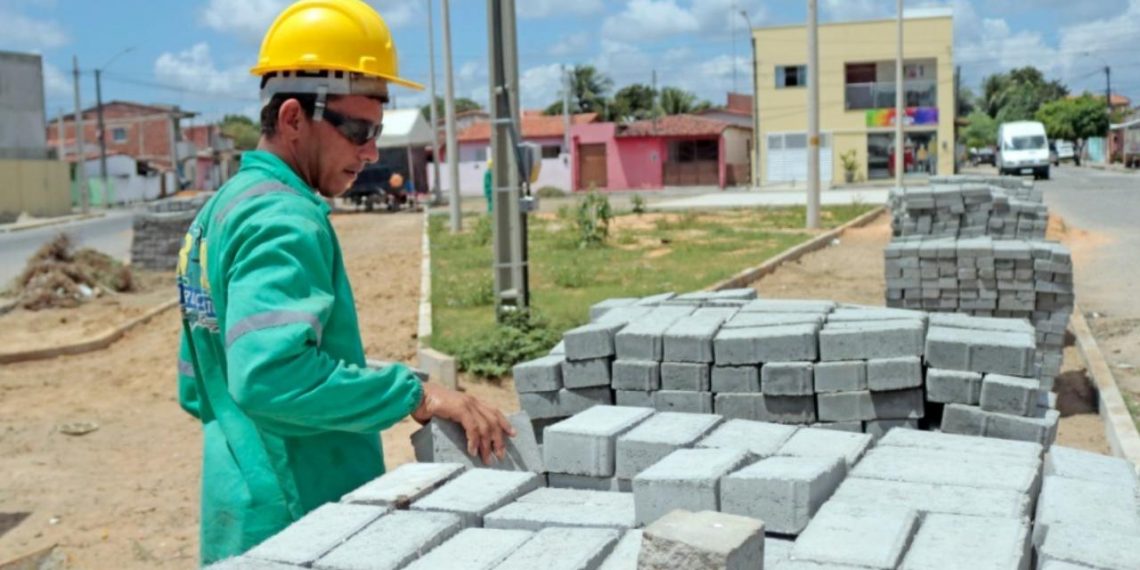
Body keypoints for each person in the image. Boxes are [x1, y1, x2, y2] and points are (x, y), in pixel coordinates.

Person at [175, 0, 514, 564]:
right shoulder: (281, 219)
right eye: (357, 130)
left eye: (376, 132)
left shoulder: (220, 210)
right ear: (292, 119)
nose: (371, 151)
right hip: (298, 521)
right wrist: (418, 391)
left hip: (240, 508)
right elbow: (269, 378)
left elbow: (196, 385)